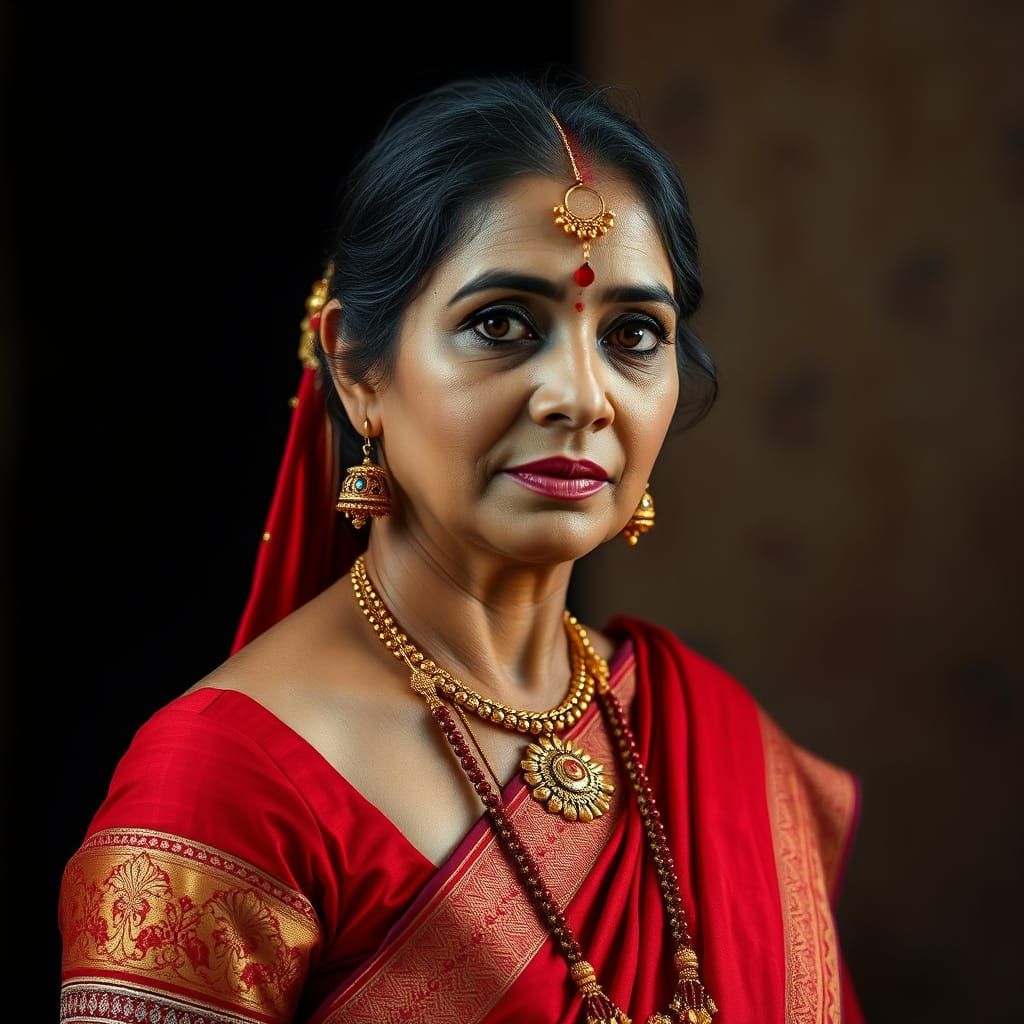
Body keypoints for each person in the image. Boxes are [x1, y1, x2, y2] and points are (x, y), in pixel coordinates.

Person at [57, 70, 865, 1023]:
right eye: (500, 324)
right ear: (358, 368)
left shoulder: (717, 743)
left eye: (634, 335)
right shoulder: (225, 783)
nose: (581, 395)